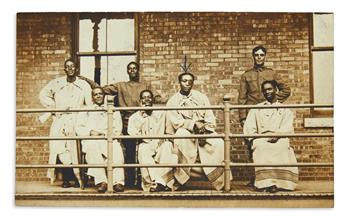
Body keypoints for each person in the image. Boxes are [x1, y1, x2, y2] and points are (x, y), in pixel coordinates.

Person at [166, 72, 230, 191]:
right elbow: (176, 122)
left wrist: (203, 130)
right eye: (184, 81)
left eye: (190, 81)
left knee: (219, 142)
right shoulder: (173, 101)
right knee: (180, 136)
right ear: (179, 82)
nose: (187, 83)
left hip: (203, 130)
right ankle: (181, 179)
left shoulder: (201, 97)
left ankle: (221, 181)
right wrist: (194, 125)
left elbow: (209, 117)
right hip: (186, 130)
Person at [238, 45, 291, 186]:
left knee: (272, 145)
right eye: (257, 55)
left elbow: (286, 89)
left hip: (269, 113)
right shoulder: (246, 75)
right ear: (253, 57)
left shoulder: (272, 73)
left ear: (265, 56)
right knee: (252, 145)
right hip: (253, 114)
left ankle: (274, 178)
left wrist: (274, 99)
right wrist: (243, 118)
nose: (259, 57)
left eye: (262, 55)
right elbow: (242, 98)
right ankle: (256, 178)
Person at [39, 58, 92, 188]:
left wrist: (80, 113)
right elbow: (43, 95)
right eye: (67, 67)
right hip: (61, 120)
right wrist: (56, 107)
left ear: (76, 69)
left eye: (72, 66)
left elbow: (89, 104)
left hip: (77, 120)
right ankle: (66, 179)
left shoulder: (84, 85)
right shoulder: (57, 83)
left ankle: (78, 179)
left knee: (75, 149)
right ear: (64, 69)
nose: (70, 69)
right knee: (60, 148)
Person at [243, 80, 298, 193]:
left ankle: (282, 183)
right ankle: (265, 183)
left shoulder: (284, 109)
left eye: (269, 89)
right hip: (262, 138)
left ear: (276, 90)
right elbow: (249, 127)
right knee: (261, 146)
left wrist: (278, 135)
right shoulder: (256, 108)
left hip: (279, 137)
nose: (267, 92)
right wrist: (254, 138)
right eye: (265, 90)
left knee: (282, 147)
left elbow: (287, 126)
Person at [76, 87, 125, 193]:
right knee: (92, 148)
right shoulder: (85, 110)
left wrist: (106, 134)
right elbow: (79, 128)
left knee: (117, 150)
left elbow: (117, 129)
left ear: (104, 96)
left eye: (100, 94)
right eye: (95, 94)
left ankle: (118, 182)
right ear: (92, 97)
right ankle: (102, 181)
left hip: (108, 137)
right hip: (92, 139)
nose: (98, 96)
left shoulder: (113, 110)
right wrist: (90, 131)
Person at [128, 89, 177, 192]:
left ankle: (164, 182)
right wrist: (142, 116)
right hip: (146, 143)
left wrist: (164, 139)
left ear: (152, 99)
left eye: (149, 97)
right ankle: (158, 182)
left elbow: (169, 131)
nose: (147, 100)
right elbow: (132, 133)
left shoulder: (161, 113)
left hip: (160, 141)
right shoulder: (135, 116)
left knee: (167, 146)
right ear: (140, 100)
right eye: (144, 98)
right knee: (143, 150)